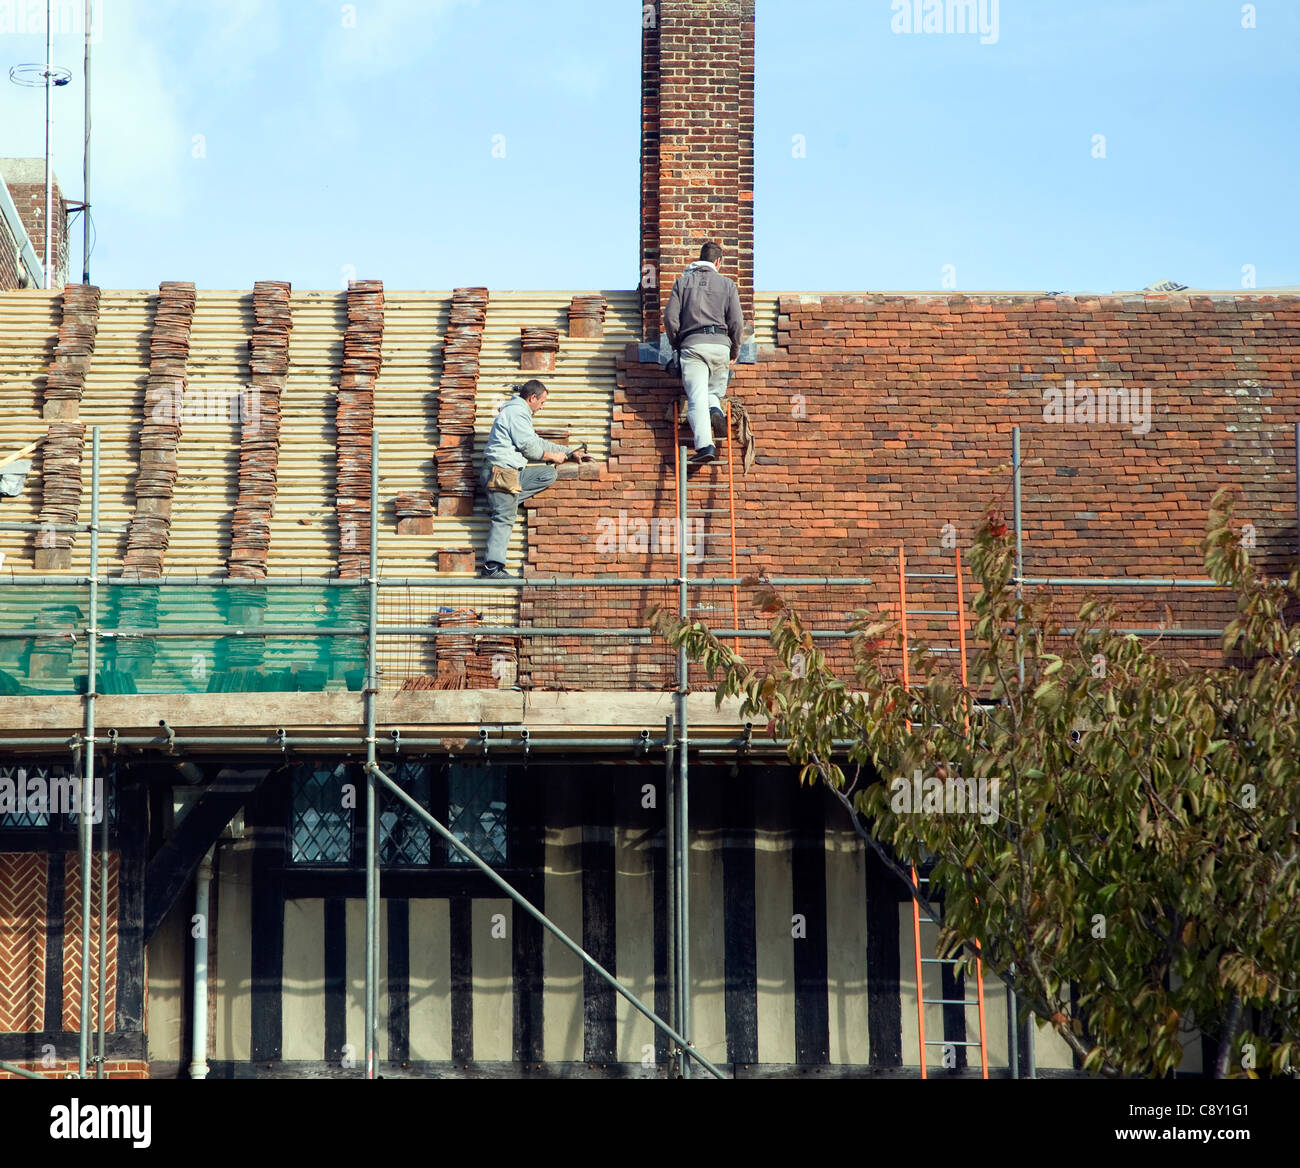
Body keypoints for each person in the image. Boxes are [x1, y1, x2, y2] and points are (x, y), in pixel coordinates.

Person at [478, 380, 592, 578]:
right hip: (500, 474)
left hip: (510, 473)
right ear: (532, 398)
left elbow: (536, 441)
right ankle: (491, 567)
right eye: (542, 402)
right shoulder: (516, 412)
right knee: (504, 517)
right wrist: (551, 456)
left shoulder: (520, 414)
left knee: (547, 473)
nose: (542, 407)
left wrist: (568, 452)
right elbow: (529, 448)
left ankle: (507, 502)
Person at [663, 241, 744, 464]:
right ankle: (715, 410)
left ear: (699, 258)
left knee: (696, 396)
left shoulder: (682, 283)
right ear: (718, 262)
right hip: (721, 345)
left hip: (694, 345)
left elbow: (670, 318)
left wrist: (677, 344)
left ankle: (705, 446)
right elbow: (736, 321)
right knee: (712, 392)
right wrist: (734, 350)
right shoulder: (728, 284)